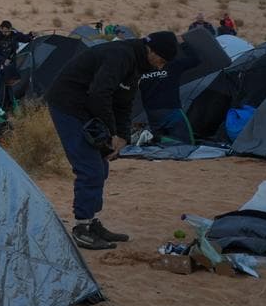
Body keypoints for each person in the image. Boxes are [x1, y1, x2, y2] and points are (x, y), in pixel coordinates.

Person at [45, 31, 178, 250]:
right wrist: (110, 133)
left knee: (101, 166)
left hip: (88, 109)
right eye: (161, 60)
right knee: (90, 169)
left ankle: (92, 221)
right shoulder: (120, 55)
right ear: (151, 50)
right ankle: (82, 229)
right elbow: (100, 93)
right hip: (67, 105)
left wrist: (122, 137)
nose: (161, 67)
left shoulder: (137, 66)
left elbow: (124, 104)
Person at [138, 36, 201, 144]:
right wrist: (182, 43)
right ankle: (153, 138)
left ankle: (153, 138)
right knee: (188, 143)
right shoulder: (173, 66)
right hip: (171, 110)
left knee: (162, 144)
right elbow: (195, 60)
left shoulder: (141, 71)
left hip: (151, 112)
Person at [0, 64, 23, 138]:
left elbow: (13, 99)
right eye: (14, 81)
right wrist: (6, 116)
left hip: (1, 114)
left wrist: (19, 114)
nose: (14, 83)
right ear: (9, 77)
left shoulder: (7, 83)